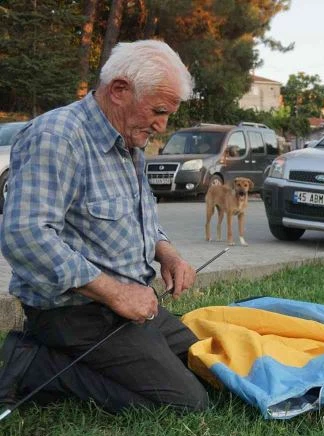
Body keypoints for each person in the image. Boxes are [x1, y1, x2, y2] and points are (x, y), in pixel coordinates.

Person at [0, 40, 209, 413]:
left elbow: (140, 220)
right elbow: (25, 236)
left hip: (128, 304)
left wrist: (169, 255)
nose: (162, 126)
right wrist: (116, 294)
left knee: (205, 364)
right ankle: (32, 365)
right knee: (186, 404)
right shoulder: (58, 137)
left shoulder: (131, 142)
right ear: (119, 91)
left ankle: (121, 352)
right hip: (74, 312)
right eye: (159, 111)